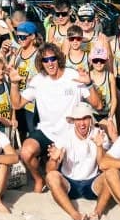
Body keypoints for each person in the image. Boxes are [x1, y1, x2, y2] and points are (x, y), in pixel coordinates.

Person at [9, 43, 102, 192]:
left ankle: (52, 175)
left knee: (55, 172)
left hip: (71, 133)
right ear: (41, 63)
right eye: (45, 60)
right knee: (26, 152)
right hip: (46, 132)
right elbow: (17, 104)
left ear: (58, 59)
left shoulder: (73, 76)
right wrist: (14, 83)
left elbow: (98, 105)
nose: (50, 63)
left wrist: (89, 84)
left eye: (53, 58)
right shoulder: (38, 80)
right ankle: (39, 179)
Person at [45, 103, 113, 220]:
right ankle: (74, 214)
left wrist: (99, 146)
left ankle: (97, 212)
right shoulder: (65, 136)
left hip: (92, 182)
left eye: (85, 118)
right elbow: (50, 170)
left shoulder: (99, 134)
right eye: (78, 119)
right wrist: (54, 159)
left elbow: (103, 165)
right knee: (51, 177)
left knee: (112, 173)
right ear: (73, 121)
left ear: (91, 119)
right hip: (69, 183)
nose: (82, 123)